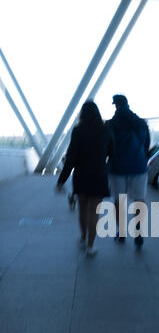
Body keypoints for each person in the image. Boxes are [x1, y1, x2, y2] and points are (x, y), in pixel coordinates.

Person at [56, 100, 114, 256]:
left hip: (81, 175)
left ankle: (83, 237)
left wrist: (61, 180)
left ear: (82, 114)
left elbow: (71, 157)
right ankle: (90, 246)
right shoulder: (106, 130)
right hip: (99, 175)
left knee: (82, 208)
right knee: (94, 212)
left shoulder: (78, 130)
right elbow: (112, 152)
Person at [107, 94, 150, 248]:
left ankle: (122, 232)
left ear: (116, 105)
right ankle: (138, 232)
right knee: (139, 199)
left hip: (117, 167)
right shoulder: (141, 123)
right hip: (138, 166)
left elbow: (107, 148)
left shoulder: (111, 124)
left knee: (119, 201)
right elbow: (146, 146)